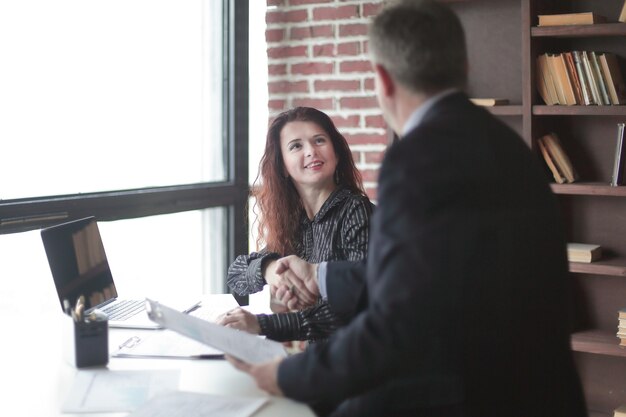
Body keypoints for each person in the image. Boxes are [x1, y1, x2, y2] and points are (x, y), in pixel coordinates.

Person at [226, 1, 588, 416]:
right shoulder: (507, 143)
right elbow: (430, 272)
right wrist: (317, 274)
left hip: (475, 393)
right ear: (463, 64)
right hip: (538, 389)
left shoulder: (417, 157)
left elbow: (397, 323)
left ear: (382, 78)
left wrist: (289, 375)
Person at [220, 106, 374, 342]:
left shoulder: (357, 210)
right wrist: (271, 271)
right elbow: (236, 275)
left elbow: (354, 309)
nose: (311, 151)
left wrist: (261, 324)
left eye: (319, 140)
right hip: (320, 358)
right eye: (296, 146)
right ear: (282, 166)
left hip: (356, 362)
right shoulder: (295, 219)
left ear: (337, 152)